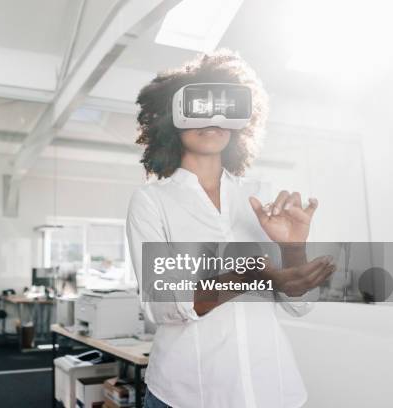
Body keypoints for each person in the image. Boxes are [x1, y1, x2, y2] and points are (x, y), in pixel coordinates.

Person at [126, 50, 336, 408]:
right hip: (187, 393)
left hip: (272, 389)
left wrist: (293, 249)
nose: (214, 118)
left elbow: (299, 307)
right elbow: (161, 305)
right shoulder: (151, 201)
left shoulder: (262, 196)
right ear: (170, 119)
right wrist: (248, 276)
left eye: (225, 108)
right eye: (198, 107)